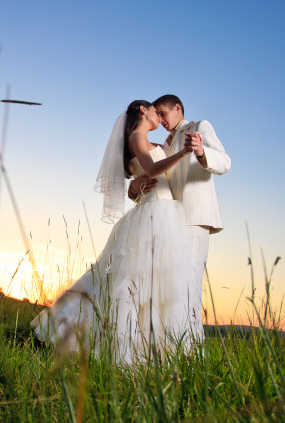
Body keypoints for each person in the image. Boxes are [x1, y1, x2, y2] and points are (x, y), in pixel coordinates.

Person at [31, 100, 200, 364]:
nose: (159, 115)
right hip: (156, 213)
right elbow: (154, 169)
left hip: (165, 210)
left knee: (158, 286)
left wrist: (135, 187)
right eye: (155, 111)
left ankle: (155, 348)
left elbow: (145, 179)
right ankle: (119, 346)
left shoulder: (150, 142)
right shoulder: (136, 137)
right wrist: (183, 154)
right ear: (144, 110)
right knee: (133, 283)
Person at [129, 94, 231, 342]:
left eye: (163, 113)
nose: (161, 119)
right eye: (158, 115)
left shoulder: (199, 128)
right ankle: (167, 342)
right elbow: (158, 179)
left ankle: (191, 347)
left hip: (195, 215)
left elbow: (225, 161)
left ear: (177, 108)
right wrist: (134, 188)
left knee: (190, 282)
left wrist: (201, 151)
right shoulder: (163, 143)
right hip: (169, 219)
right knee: (171, 286)